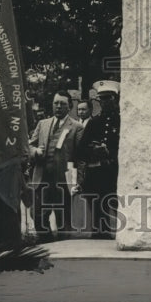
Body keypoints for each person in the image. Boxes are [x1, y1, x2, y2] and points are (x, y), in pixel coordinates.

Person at [27, 90, 86, 240]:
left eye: (62, 104)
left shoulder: (76, 127)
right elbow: (28, 146)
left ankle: (63, 251)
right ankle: (46, 243)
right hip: (42, 179)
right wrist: (35, 152)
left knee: (63, 219)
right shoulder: (43, 124)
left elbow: (81, 157)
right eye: (56, 103)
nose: (58, 106)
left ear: (70, 106)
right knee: (38, 214)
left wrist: (78, 181)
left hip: (63, 181)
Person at [80, 79, 121, 238]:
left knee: (119, 208)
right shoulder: (94, 122)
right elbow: (81, 149)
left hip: (115, 173)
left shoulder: (121, 120)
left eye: (108, 98)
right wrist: (94, 150)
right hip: (97, 174)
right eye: (101, 99)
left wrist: (110, 153)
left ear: (115, 99)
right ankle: (99, 238)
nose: (104, 103)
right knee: (98, 213)